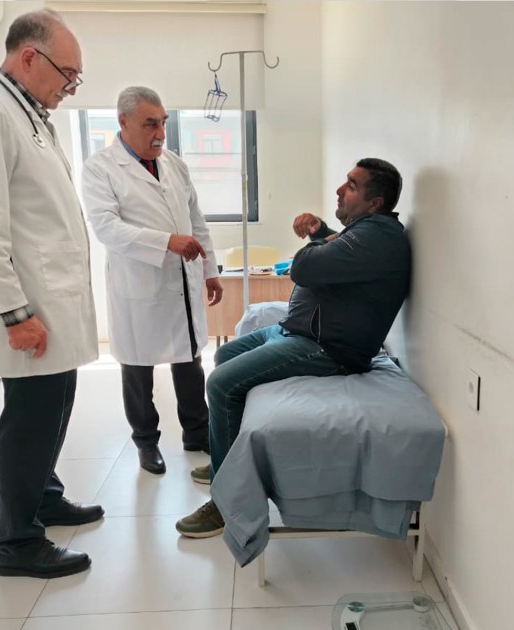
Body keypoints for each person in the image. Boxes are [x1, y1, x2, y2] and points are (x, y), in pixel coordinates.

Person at [0, 9, 103, 578]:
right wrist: (14, 314)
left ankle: (44, 497)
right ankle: (17, 542)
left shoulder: (28, 112)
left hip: (52, 301)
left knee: (56, 405)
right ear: (30, 56)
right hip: (29, 306)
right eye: (68, 75)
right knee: (31, 421)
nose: (70, 87)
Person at [175, 158, 412, 538]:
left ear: (374, 203)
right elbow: (340, 256)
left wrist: (317, 245)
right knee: (224, 354)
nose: (339, 190)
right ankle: (229, 457)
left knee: (221, 383)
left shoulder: (378, 237)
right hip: (297, 332)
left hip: (327, 348)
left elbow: (301, 267)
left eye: (351, 186)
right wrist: (323, 233)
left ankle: (226, 501)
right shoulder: (366, 232)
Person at [81, 87, 222, 475]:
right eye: (150, 124)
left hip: (182, 281)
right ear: (123, 122)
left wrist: (210, 271)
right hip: (137, 285)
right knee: (137, 370)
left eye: (163, 123)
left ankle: (197, 432)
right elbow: (106, 228)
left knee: (189, 362)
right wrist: (166, 242)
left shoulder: (174, 164)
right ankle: (146, 443)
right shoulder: (100, 168)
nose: (160, 133)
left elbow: (196, 220)